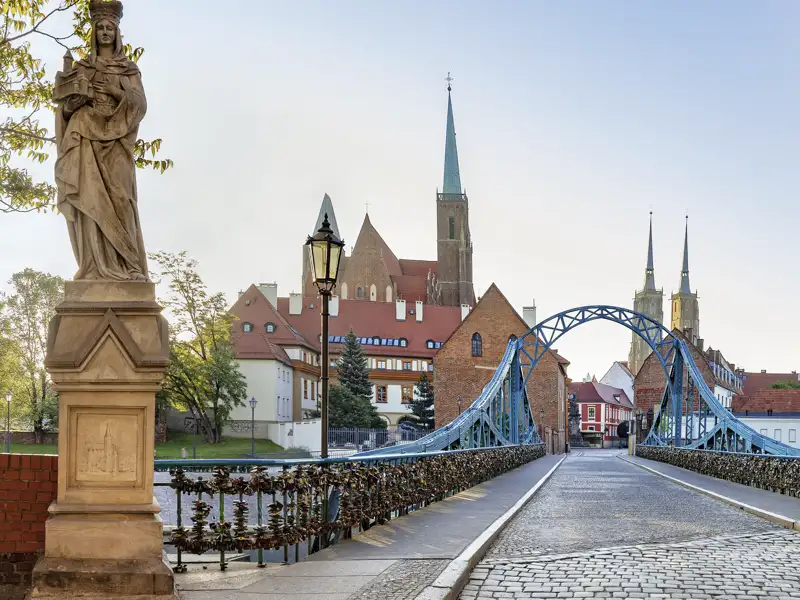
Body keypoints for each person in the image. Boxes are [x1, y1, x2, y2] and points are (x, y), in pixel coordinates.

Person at [55, 1, 149, 281]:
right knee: (89, 197)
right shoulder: (82, 66)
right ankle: (95, 268)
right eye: (101, 28)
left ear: (118, 32)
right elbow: (65, 110)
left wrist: (114, 90)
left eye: (110, 28)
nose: (105, 32)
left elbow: (140, 105)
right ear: (94, 33)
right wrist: (73, 103)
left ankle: (130, 265)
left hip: (117, 140)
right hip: (85, 136)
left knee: (122, 199)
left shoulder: (128, 69)